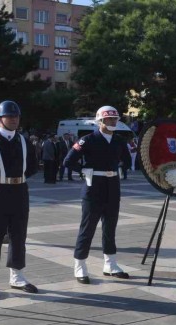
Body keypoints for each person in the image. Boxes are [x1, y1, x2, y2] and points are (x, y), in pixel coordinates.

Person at [0, 100, 39, 299]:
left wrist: (16, 179)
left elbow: (33, 166)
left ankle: (17, 276)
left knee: (19, 235)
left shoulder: (24, 140)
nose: (13, 119)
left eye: (16, 116)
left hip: (19, 191)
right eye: (9, 116)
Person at [64, 105, 132, 283]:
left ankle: (110, 264)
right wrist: (83, 170)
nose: (113, 122)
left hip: (112, 186)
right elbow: (68, 161)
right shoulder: (88, 140)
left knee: (110, 227)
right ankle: (80, 266)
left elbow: (126, 160)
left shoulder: (119, 141)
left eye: (115, 119)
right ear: (100, 121)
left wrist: (122, 167)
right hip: (93, 187)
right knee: (88, 228)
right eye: (109, 119)